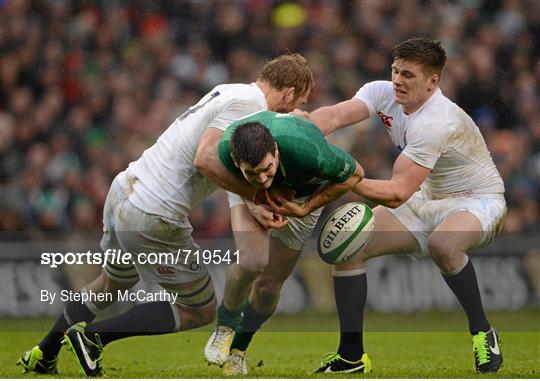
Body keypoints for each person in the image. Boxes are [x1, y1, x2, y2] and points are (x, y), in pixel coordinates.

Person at [16, 54, 314, 377]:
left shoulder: (230, 91)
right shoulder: (250, 107)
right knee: (199, 310)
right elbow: (204, 158)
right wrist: (255, 198)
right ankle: (93, 338)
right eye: (296, 102)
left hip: (124, 191)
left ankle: (45, 352)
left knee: (110, 284)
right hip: (154, 212)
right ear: (288, 92)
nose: (288, 113)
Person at [284, 37, 506, 374]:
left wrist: (340, 177)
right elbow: (333, 116)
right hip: (424, 199)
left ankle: (482, 331)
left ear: (433, 82)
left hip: (477, 200)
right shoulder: (383, 92)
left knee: (442, 245)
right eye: (395, 71)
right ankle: (351, 357)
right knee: (348, 246)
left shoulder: (437, 122)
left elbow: (397, 192)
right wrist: (294, 129)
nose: (398, 81)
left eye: (409, 75)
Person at [201, 111, 364, 376]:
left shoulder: (308, 151)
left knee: (267, 287)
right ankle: (226, 326)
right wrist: (255, 199)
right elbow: (207, 166)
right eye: (253, 173)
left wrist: (305, 208)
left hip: (300, 201)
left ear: (276, 151)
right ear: (236, 162)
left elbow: (355, 174)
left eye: (267, 169)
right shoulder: (225, 152)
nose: (264, 178)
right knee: (252, 262)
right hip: (248, 195)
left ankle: (238, 350)